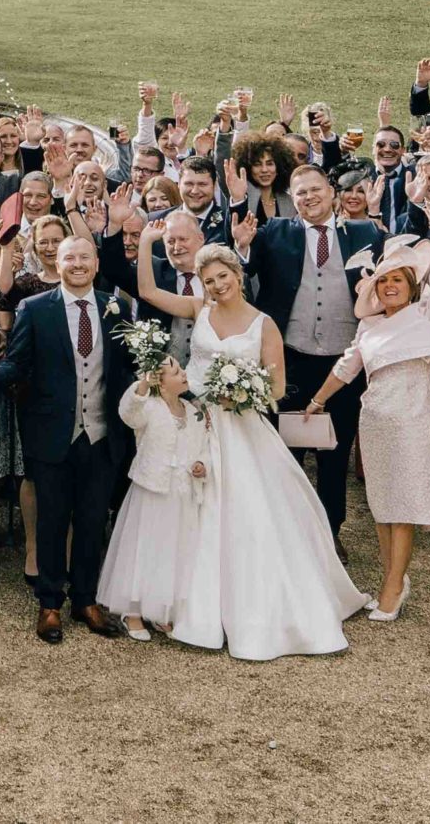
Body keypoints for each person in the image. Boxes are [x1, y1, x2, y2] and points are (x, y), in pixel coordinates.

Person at [105, 244, 368, 659]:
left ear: (237, 273)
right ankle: (172, 600)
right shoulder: (198, 309)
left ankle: (246, 607)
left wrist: (241, 394)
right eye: (208, 280)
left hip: (241, 426)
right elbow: (148, 292)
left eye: (222, 276)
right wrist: (143, 245)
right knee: (183, 510)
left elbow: (277, 388)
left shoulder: (264, 325)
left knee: (248, 515)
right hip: (193, 419)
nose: (216, 285)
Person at [0, 235, 139, 644]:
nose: (77, 264)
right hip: (51, 433)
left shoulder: (117, 307)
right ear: (57, 264)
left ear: (96, 263)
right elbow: (19, 362)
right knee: (52, 521)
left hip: (102, 433)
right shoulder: (35, 308)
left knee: (93, 521)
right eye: (69, 258)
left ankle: (86, 600)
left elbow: (128, 366)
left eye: (84, 257)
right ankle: (49, 604)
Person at [297, 238, 430, 621]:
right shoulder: (368, 326)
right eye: (383, 281)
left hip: (413, 420)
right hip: (375, 420)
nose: (389, 286)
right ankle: (394, 578)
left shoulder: (428, 315)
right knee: (383, 506)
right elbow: (345, 369)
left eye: (398, 280)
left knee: (403, 507)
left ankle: (394, 586)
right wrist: (316, 402)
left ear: (412, 285)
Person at [247, 166, 386, 536]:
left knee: (334, 452)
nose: (309, 197)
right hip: (291, 357)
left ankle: (330, 532)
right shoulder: (275, 232)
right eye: (300, 193)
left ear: (331, 190)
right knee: (287, 449)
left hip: (343, 363)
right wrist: (242, 244)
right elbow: (245, 270)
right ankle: (286, 531)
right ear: (292, 200)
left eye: (315, 189)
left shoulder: (365, 232)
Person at [94, 359, 209, 639]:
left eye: (182, 370)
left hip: (181, 492)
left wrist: (201, 464)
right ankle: (133, 610)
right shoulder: (149, 407)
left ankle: (161, 609)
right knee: (146, 546)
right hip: (152, 489)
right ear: (161, 380)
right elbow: (127, 413)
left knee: (173, 550)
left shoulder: (194, 411)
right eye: (176, 372)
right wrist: (143, 383)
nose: (184, 374)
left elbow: (203, 446)